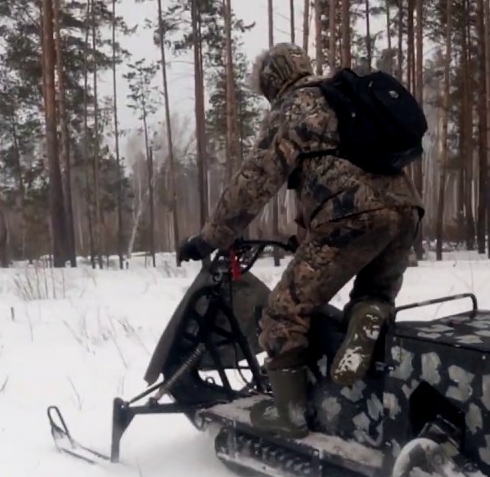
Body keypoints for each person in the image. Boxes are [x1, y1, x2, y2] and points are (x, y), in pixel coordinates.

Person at [176, 42, 424, 439]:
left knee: (281, 313)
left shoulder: (293, 107)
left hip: (349, 217)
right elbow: (339, 170)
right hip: (406, 212)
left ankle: (288, 414)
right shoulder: (343, 97)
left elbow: (254, 184)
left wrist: (207, 240)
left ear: (272, 81)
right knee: (373, 291)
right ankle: (371, 312)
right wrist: (305, 236)